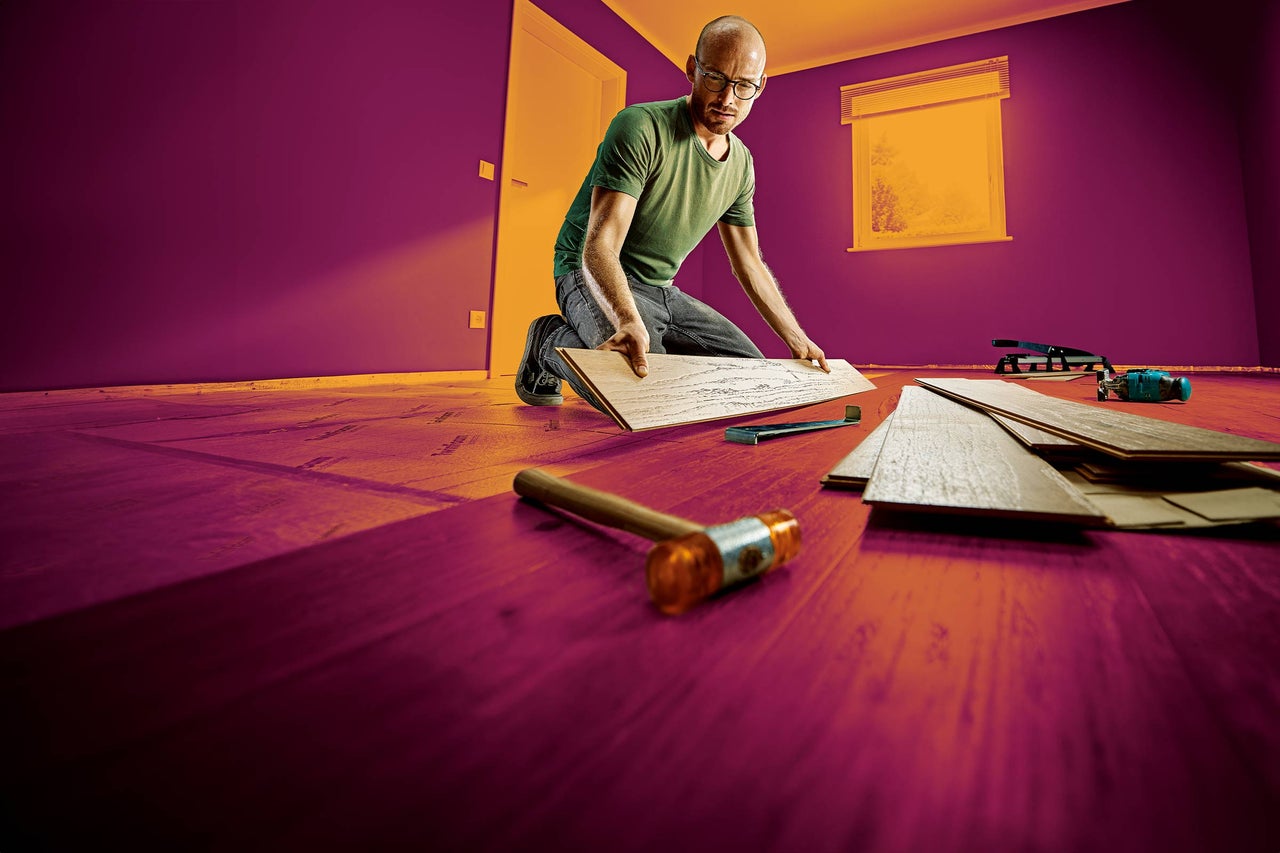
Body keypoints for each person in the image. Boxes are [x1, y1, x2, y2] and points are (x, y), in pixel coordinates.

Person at [516, 15, 829, 410]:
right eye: (715, 77)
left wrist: (796, 339)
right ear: (692, 69)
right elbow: (600, 245)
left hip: (662, 290)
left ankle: (642, 353)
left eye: (744, 85)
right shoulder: (640, 126)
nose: (727, 98)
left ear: (760, 86)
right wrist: (628, 320)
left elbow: (749, 263)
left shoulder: (742, 165)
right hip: (588, 271)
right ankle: (549, 342)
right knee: (644, 394)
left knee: (752, 378)